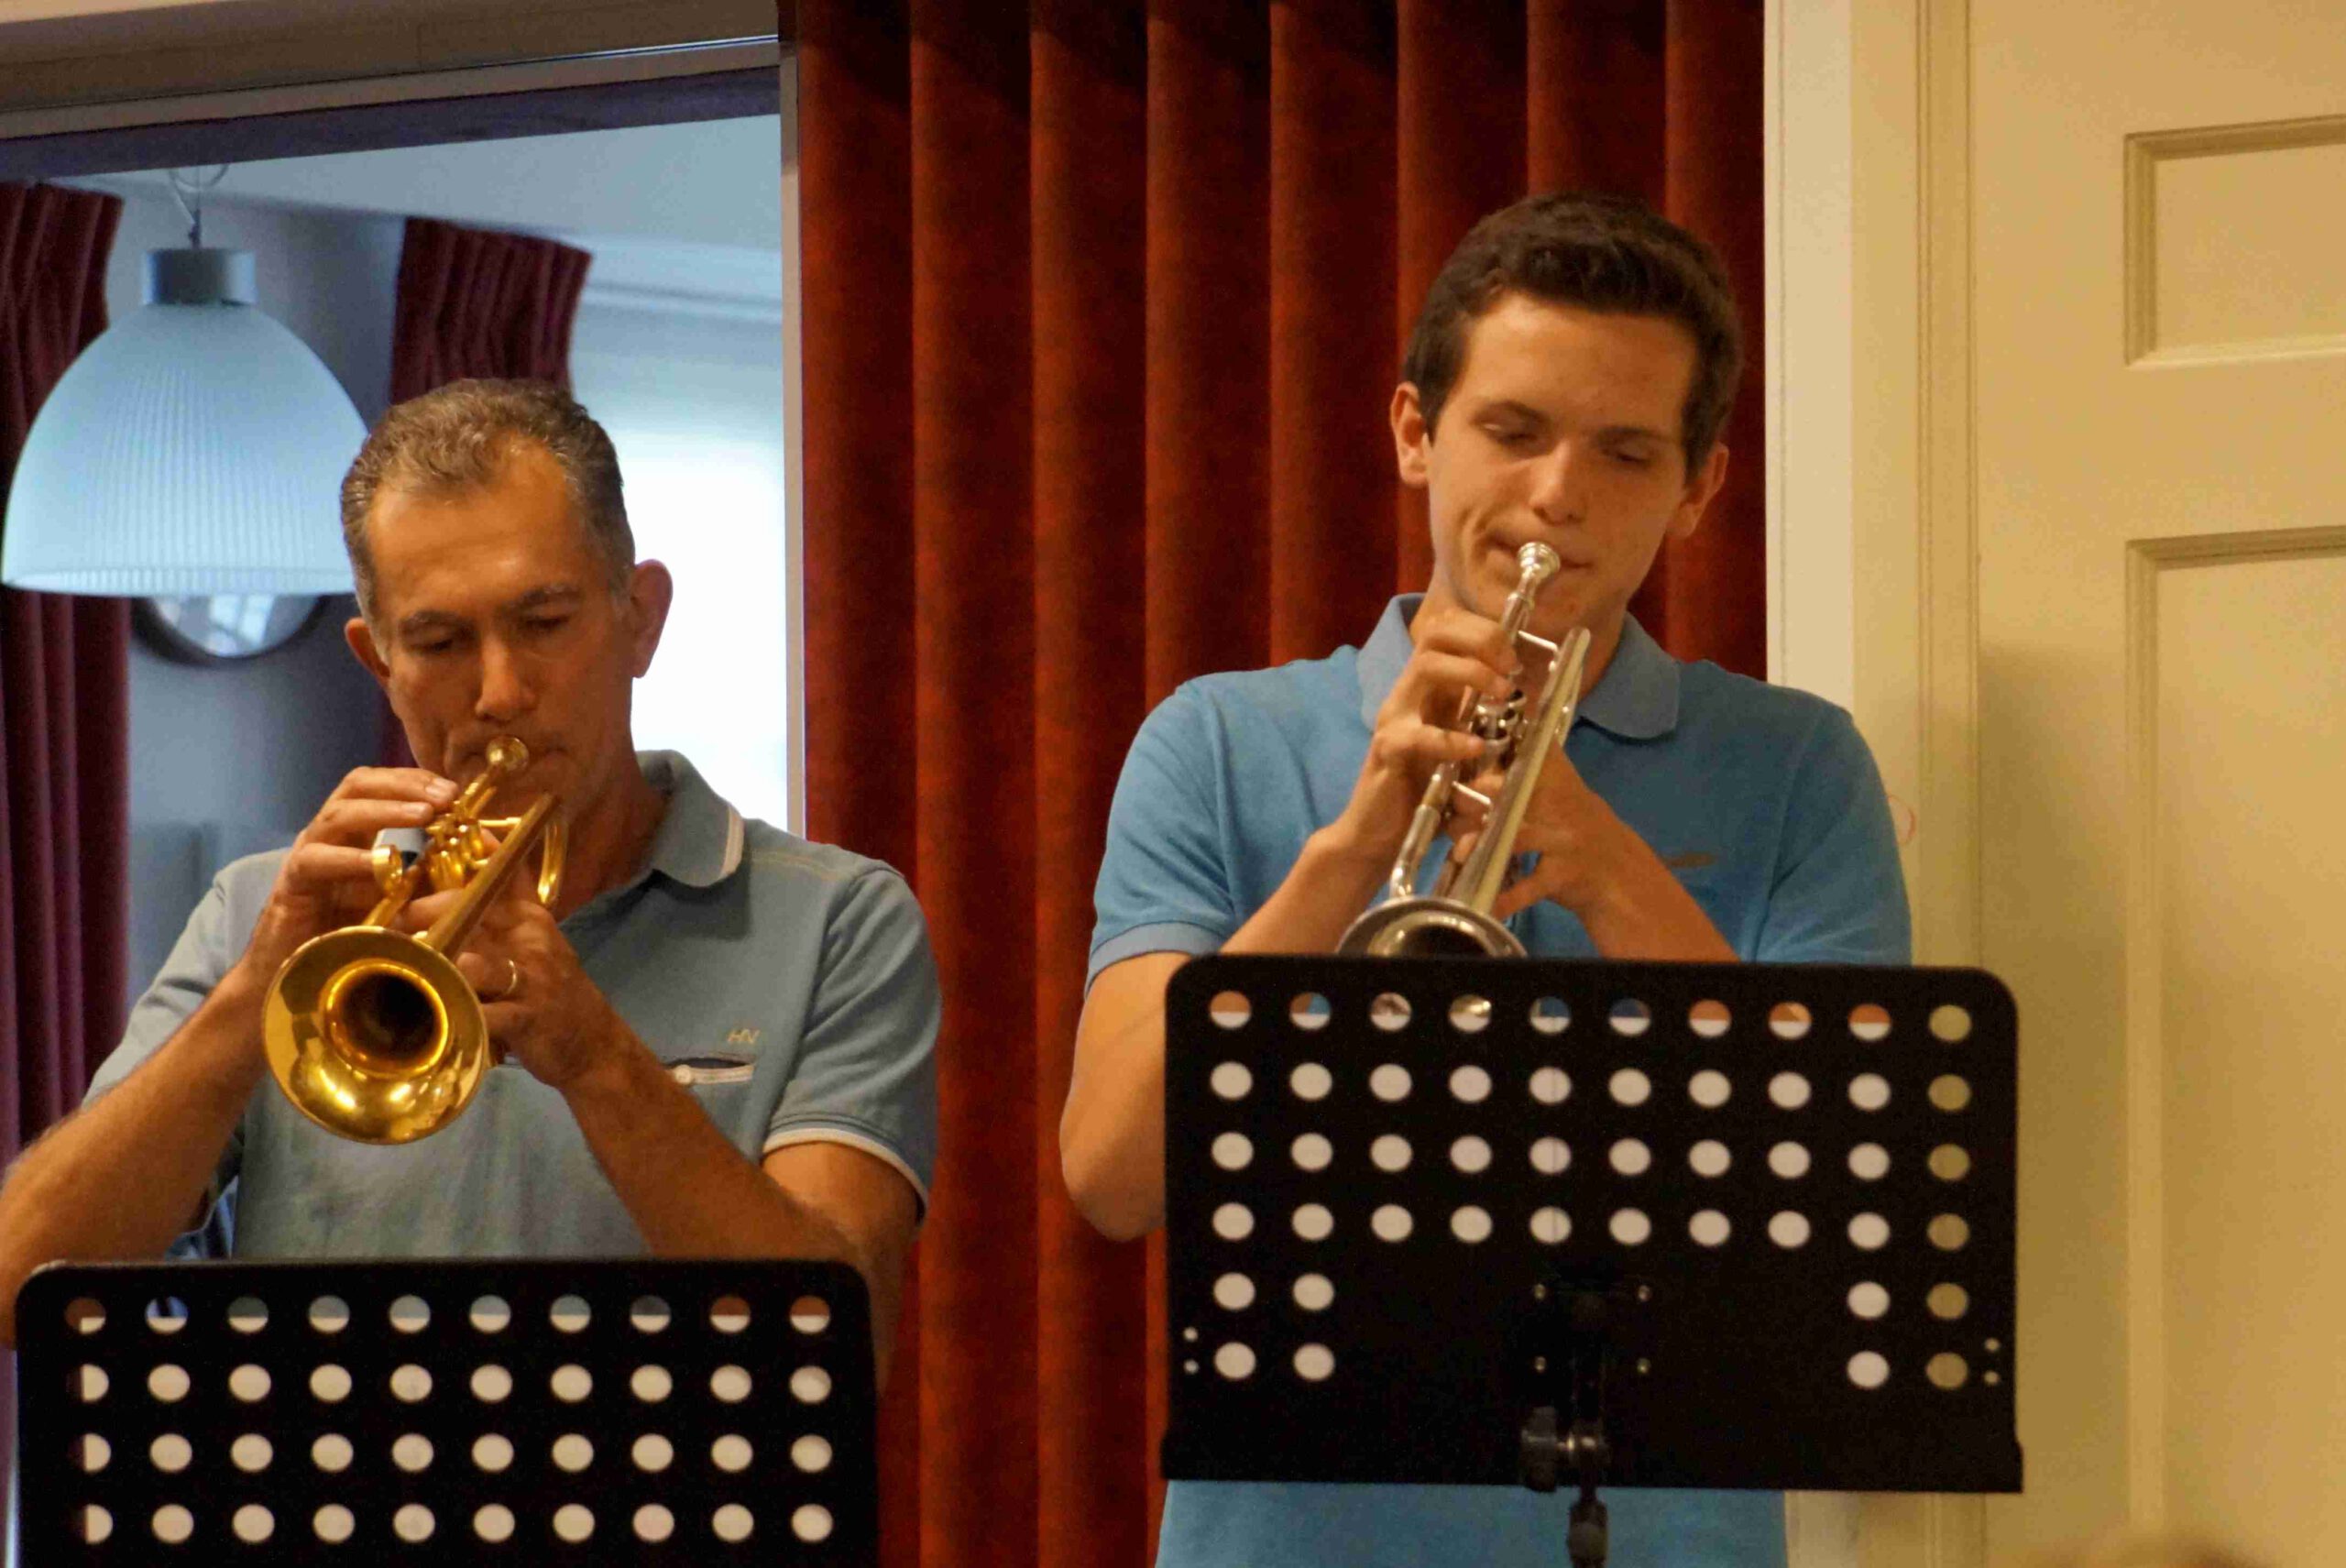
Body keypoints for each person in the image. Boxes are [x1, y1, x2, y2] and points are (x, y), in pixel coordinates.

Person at [1061, 193, 1910, 1566]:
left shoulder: (1800, 764)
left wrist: (1609, 863)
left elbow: (1845, 1185)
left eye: (1625, 452)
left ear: (1698, 489)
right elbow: (1110, 1174)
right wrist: (1348, 854)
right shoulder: (1214, 739)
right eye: (1513, 430)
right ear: (1415, 433)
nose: (1558, 495)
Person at [0, 380, 937, 1377]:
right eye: (440, 643)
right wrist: (254, 994)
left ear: (640, 619)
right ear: (379, 662)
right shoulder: (258, 909)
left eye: (545, 622)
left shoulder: (838, 920)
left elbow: (837, 1340)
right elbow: (21, 1284)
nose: (499, 694)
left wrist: (594, 1055)